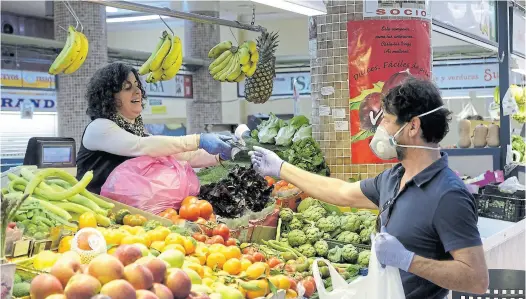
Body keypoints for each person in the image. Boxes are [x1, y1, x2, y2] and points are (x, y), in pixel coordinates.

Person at [250, 78, 489, 298]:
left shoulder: (448, 195)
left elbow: (476, 279)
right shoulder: (394, 177)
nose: (380, 128)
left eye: (386, 119)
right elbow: (340, 192)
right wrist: (281, 168)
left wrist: (408, 260)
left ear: (413, 126)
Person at [77, 62, 234, 194]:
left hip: (125, 216)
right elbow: (143, 146)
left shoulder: (137, 131)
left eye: (137, 85)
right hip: (94, 214)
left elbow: (182, 156)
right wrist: (198, 140)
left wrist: (219, 155)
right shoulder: (99, 128)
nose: (137, 91)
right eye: (127, 87)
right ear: (109, 96)